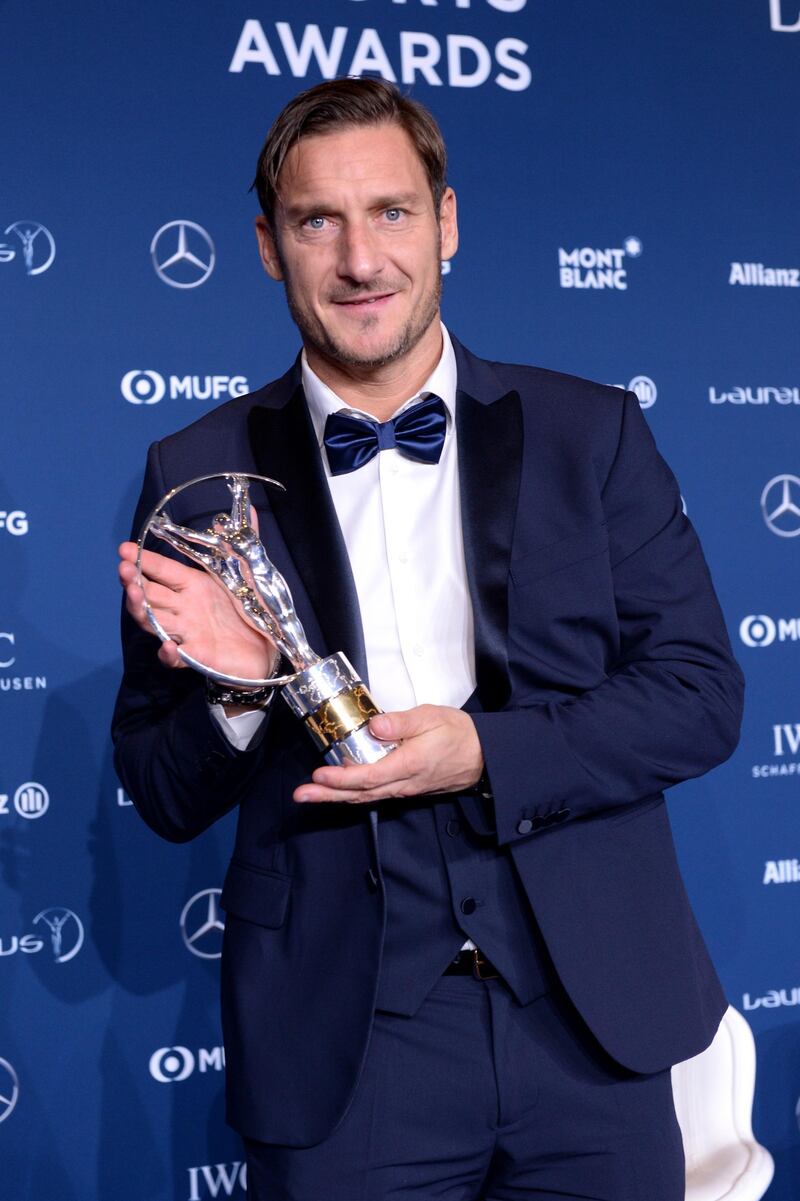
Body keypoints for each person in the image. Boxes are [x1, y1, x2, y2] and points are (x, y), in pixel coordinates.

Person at [114, 77, 744, 1201]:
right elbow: (161, 791)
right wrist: (241, 686)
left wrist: (482, 752)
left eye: (391, 212)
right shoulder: (195, 475)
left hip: (587, 1023)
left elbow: (698, 694)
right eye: (318, 221)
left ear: (445, 222)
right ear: (268, 245)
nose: (361, 260)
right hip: (348, 1049)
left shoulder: (586, 433)